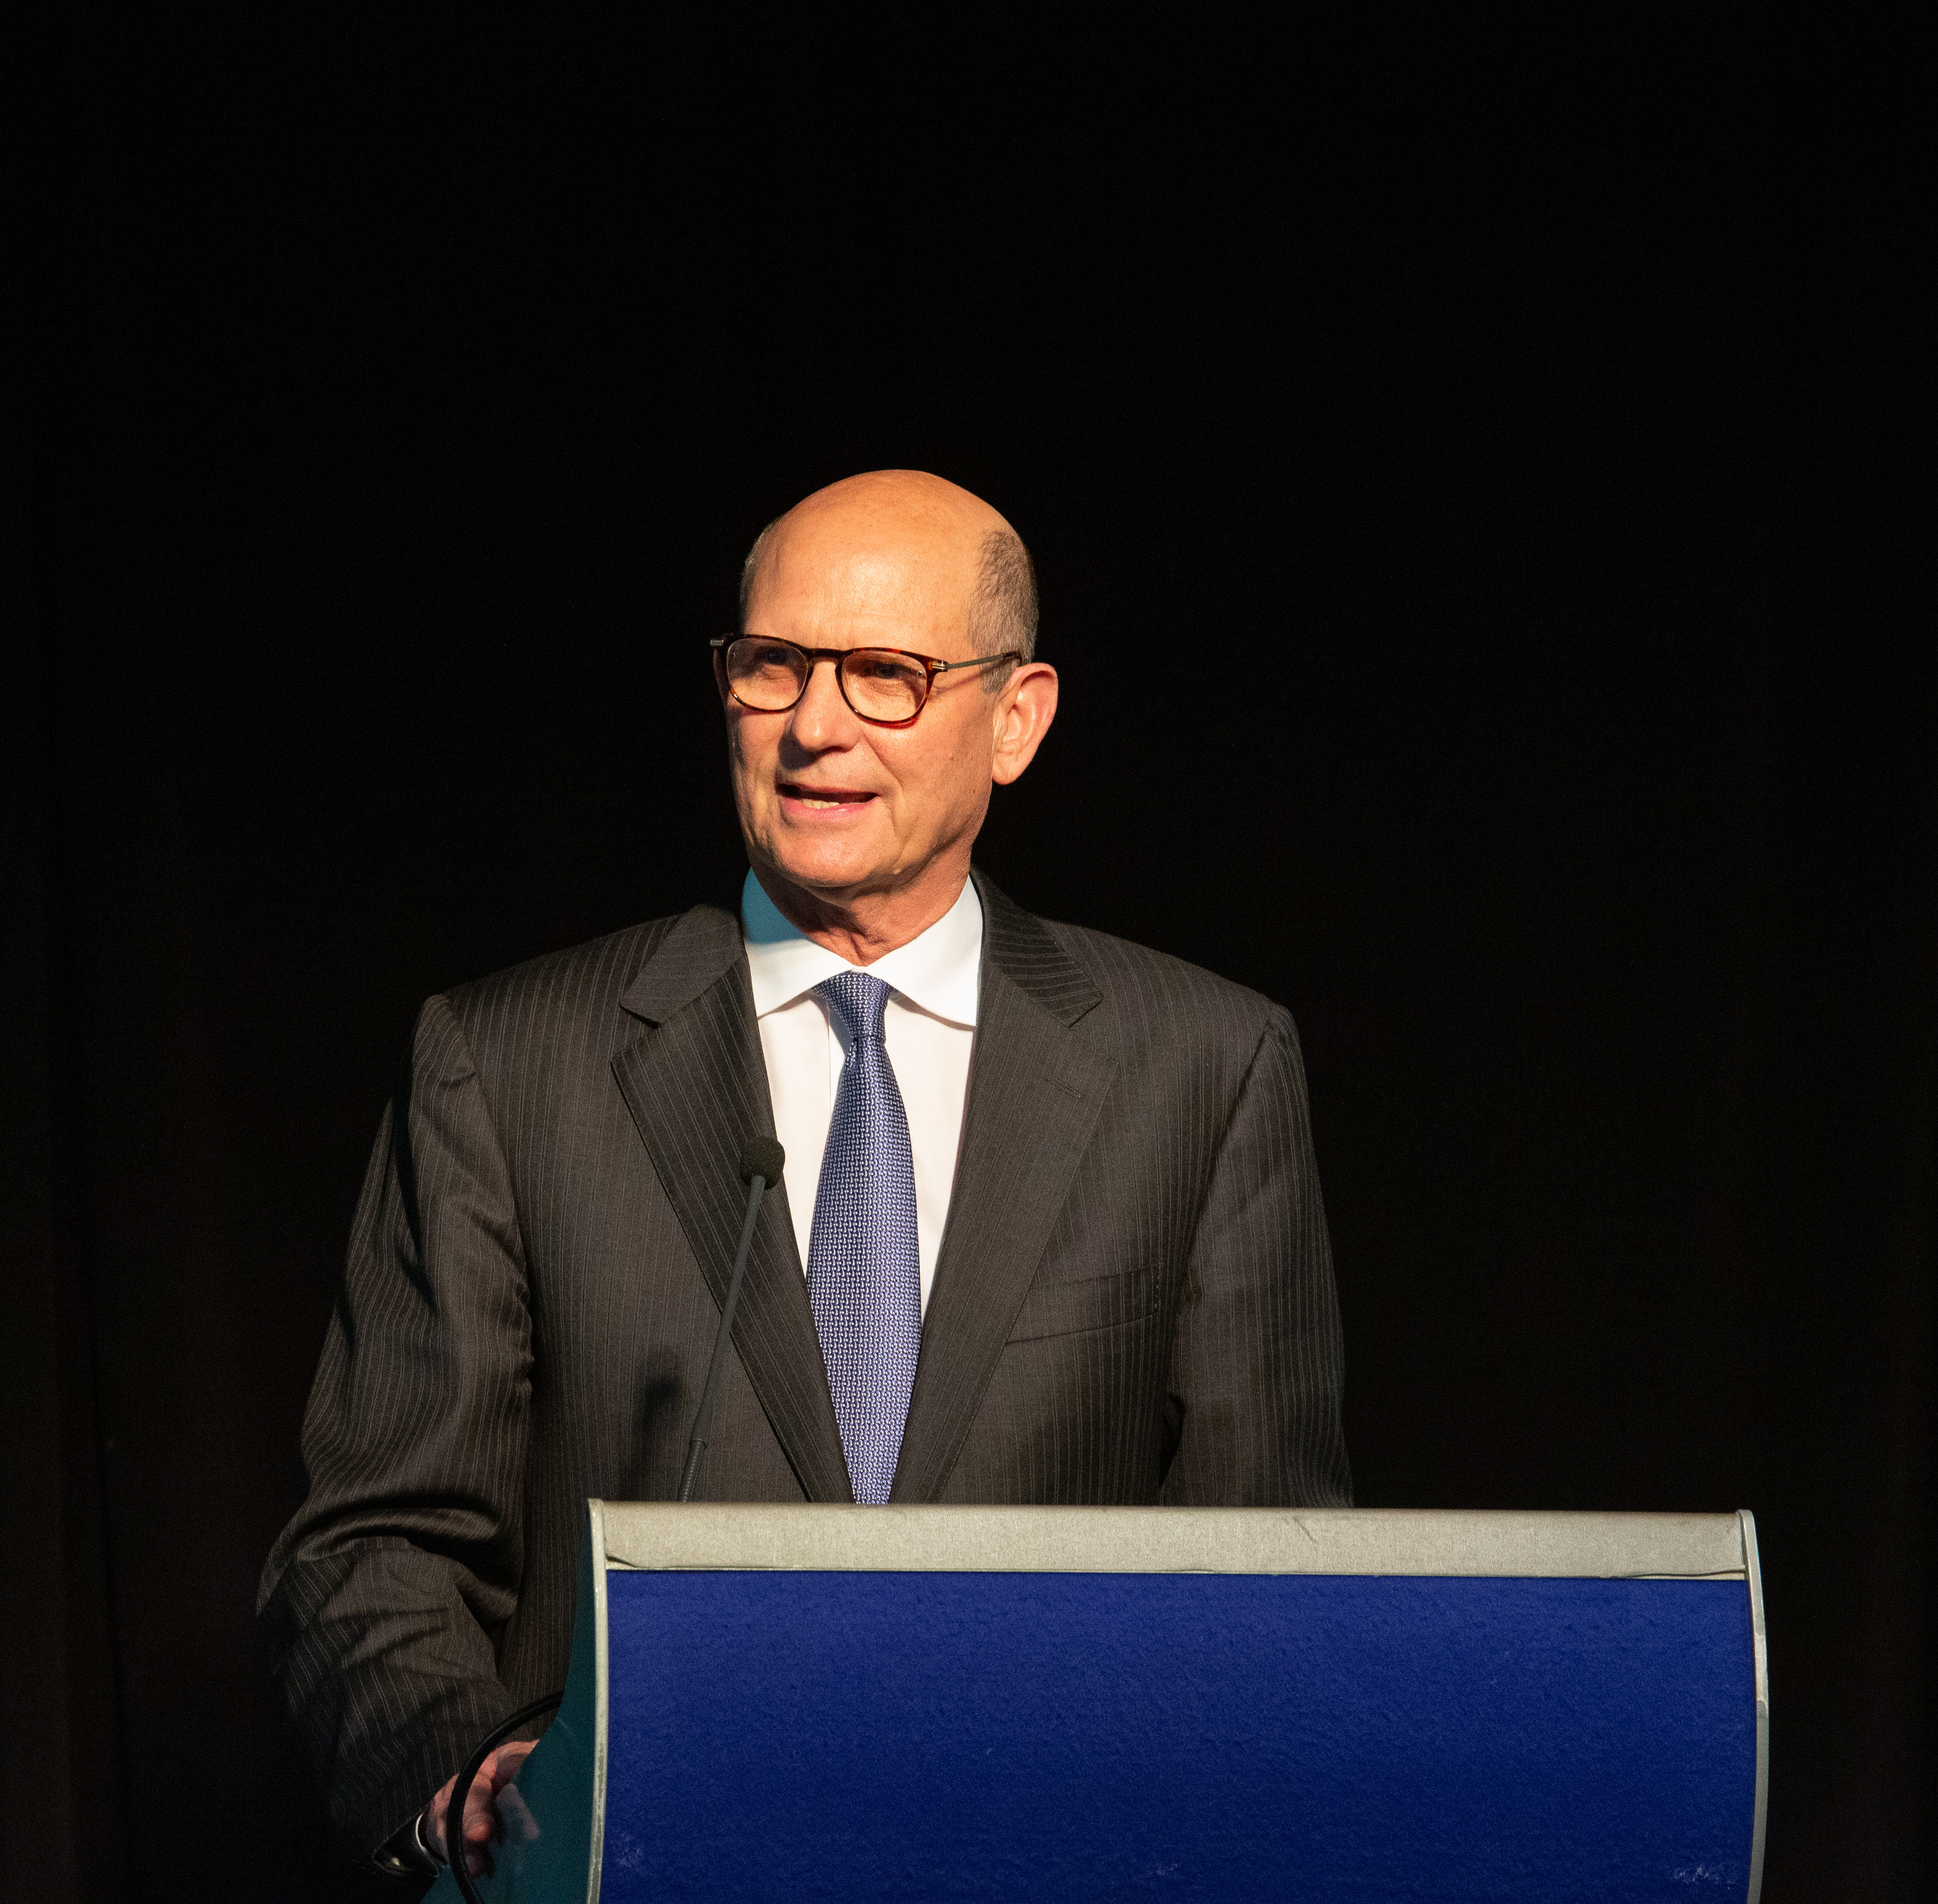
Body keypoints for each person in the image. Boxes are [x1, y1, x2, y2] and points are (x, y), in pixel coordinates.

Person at [258, 470, 1351, 1880]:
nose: (814, 726)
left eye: (886, 675)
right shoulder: (509, 1062)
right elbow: (370, 1545)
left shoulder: (1203, 1067)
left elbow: (1270, 1577)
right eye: (773, 664)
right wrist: (474, 1785)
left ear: (1016, 720)